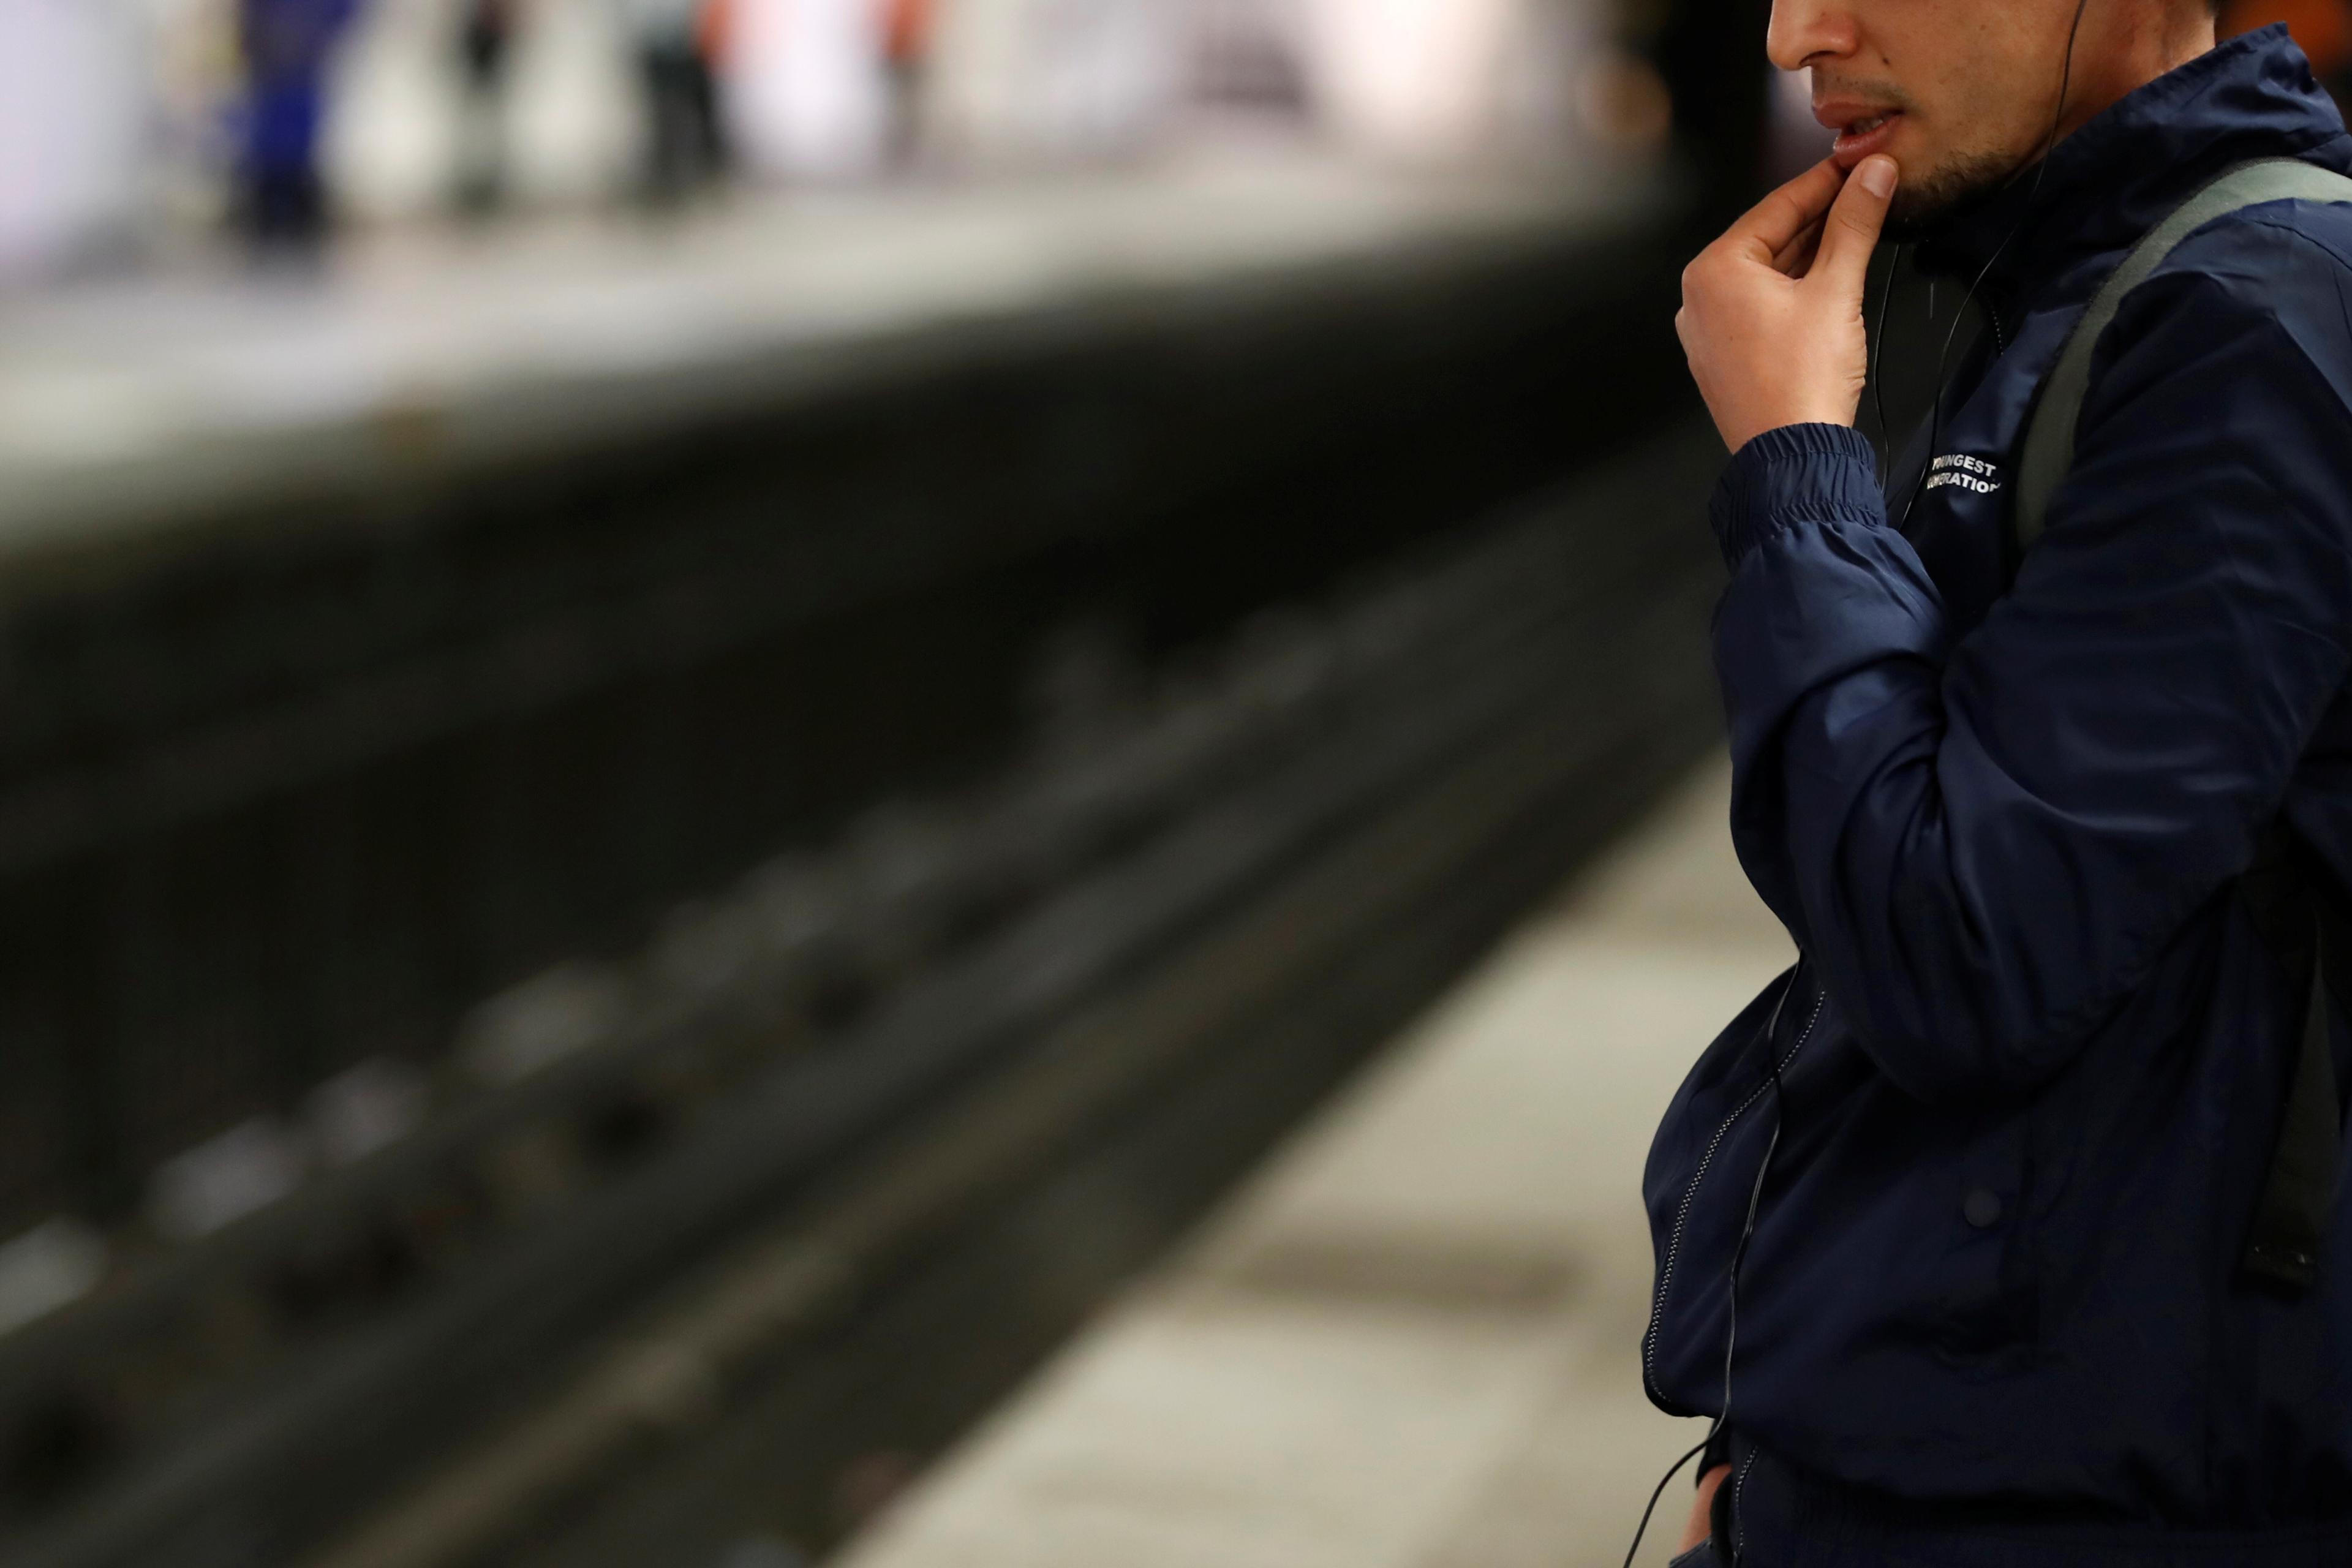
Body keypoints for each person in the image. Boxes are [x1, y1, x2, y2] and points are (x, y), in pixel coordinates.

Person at [1651, 4, 2352, 1564]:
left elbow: (1962, 950)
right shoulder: (2084, 281)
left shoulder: (2258, 327)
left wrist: (1794, 478)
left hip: (2093, 1495)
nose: (1791, 35)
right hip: (1964, 1458)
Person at [237, 0, 366, 246]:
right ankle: (272, 212)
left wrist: (316, 32)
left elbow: (345, 13)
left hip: (304, 68)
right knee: (272, 144)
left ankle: (296, 212)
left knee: (299, 141)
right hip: (271, 73)